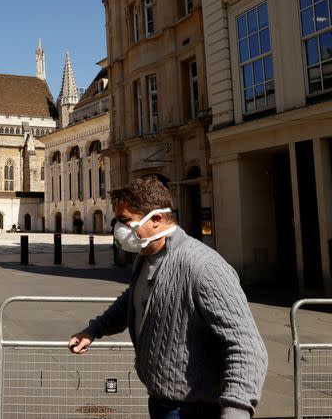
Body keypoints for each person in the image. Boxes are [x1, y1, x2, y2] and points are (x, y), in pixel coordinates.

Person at [68, 176, 267, 419]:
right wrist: (94, 330)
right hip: (161, 401)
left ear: (157, 219)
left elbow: (246, 347)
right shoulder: (146, 255)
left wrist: (236, 411)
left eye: (125, 221)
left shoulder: (203, 267)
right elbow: (135, 298)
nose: (117, 230)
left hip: (196, 409)